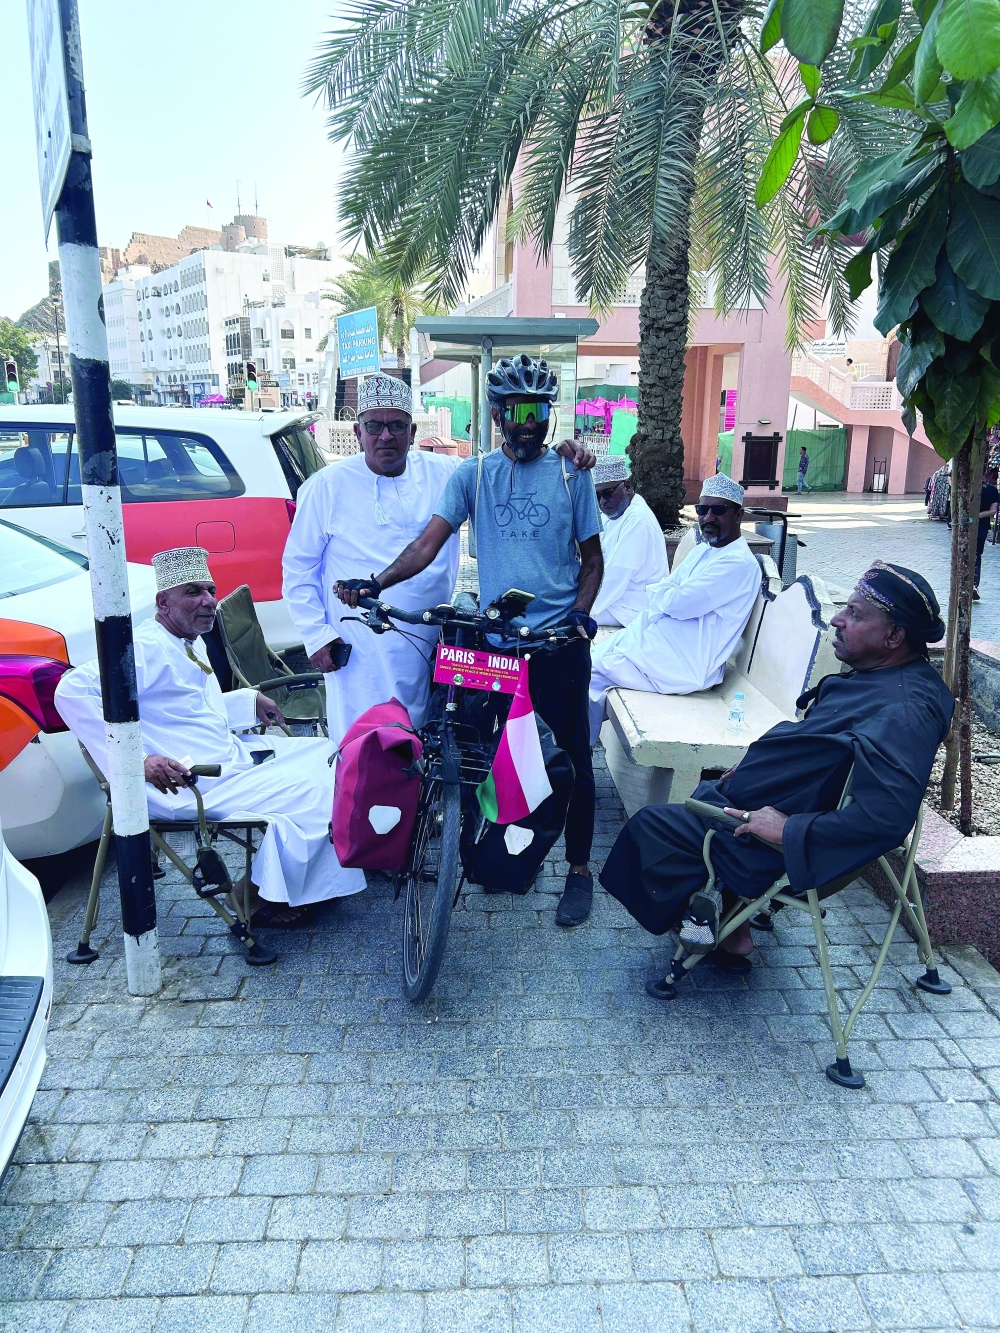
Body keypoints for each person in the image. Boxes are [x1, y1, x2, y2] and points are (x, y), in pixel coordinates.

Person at [335, 353, 604, 927]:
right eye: (515, 411)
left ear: (548, 414)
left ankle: (579, 871)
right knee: (475, 751)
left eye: (537, 410)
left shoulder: (570, 474)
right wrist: (374, 583)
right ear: (499, 416)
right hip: (497, 645)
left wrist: (581, 614)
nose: (527, 422)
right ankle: (481, 851)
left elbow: (592, 561)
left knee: (576, 759)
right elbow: (426, 545)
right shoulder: (473, 474)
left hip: (558, 643)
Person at [600, 560, 953, 976]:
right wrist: (752, 765)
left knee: (649, 827)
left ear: (895, 636)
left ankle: (713, 927)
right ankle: (734, 925)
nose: (838, 619)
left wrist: (788, 830)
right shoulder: (896, 678)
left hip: (772, 842)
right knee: (707, 787)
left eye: (856, 614)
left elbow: (888, 818)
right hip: (768, 804)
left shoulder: (904, 711)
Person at [55, 548, 365, 925]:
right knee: (315, 794)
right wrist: (134, 762)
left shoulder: (188, 639)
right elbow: (70, 691)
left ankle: (305, 880)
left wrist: (248, 701)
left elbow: (190, 707)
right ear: (163, 602)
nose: (208, 601)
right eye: (193, 593)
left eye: (210, 590)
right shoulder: (149, 647)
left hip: (226, 758)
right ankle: (250, 897)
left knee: (332, 754)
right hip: (190, 782)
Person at [283, 373, 595, 745]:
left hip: (433, 636)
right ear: (357, 431)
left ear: (412, 432)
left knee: (439, 736)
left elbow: (513, 461)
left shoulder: (446, 471)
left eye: (397, 425)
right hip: (361, 640)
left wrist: (566, 448)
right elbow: (297, 567)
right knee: (361, 741)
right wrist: (318, 636)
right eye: (374, 426)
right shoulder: (326, 485)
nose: (386, 436)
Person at [588, 473, 761, 745]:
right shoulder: (705, 551)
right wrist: (667, 596)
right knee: (587, 665)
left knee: (589, 675)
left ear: (739, 515)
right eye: (702, 510)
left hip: (686, 663)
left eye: (718, 510)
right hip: (663, 645)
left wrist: (666, 596)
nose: (708, 518)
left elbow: (676, 602)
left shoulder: (737, 563)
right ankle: (574, 752)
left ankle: (575, 757)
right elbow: (669, 591)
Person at [590, 455, 667, 628]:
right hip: (616, 599)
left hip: (634, 607)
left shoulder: (638, 520)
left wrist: (582, 604)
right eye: (596, 495)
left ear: (627, 486)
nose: (602, 502)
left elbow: (615, 576)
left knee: (565, 616)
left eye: (608, 493)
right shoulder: (613, 513)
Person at [974, 467, 999, 600]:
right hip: (982, 526)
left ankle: (967, 585)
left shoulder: (967, 489)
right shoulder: (992, 490)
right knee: (977, 555)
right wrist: (980, 515)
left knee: (966, 554)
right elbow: (993, 511)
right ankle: (974, 584)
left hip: (968, 526)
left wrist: (973, 516)